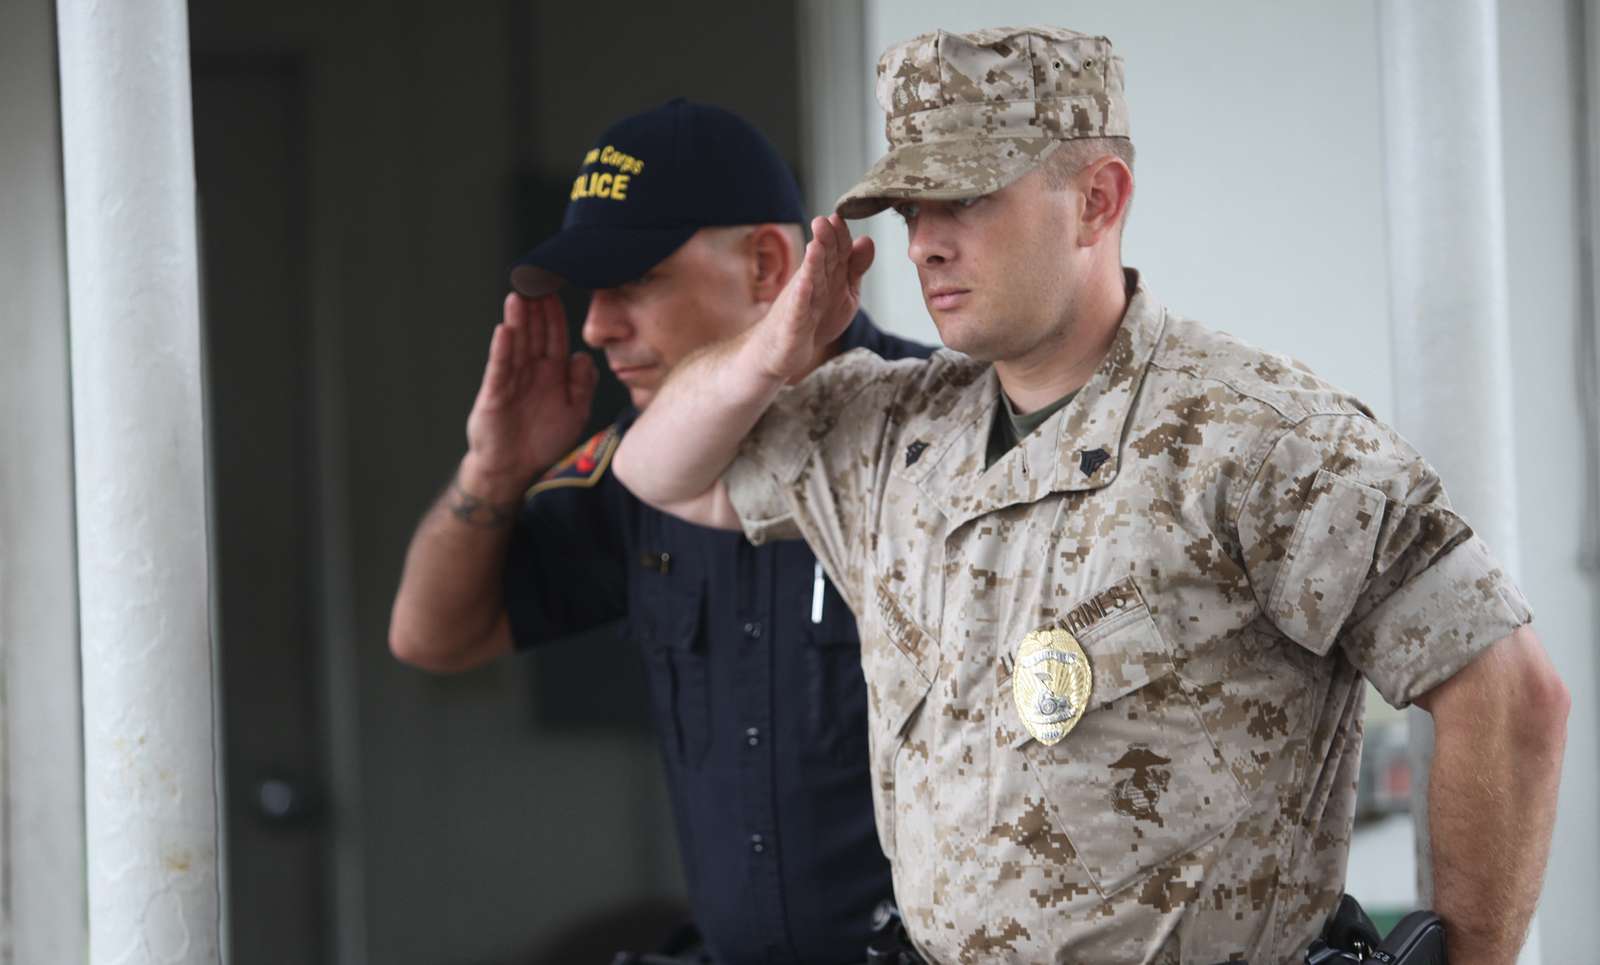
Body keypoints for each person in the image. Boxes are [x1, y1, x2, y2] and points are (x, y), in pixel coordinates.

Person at [609, 27, 1569, 965]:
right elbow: (656, 470)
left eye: (967, 198)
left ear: (1097, 200)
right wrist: (773, 350)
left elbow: (1510, 693)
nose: (925, 247)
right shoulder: (886, 435)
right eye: (909, 212)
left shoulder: (1260, 437)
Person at [387, 99, 931, 964]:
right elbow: (432, 635)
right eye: (592, 293)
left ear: (766, 265)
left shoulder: (936, 428)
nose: (599, 327)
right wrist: (492, 472)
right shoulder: (627, 471)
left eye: (633, 281)